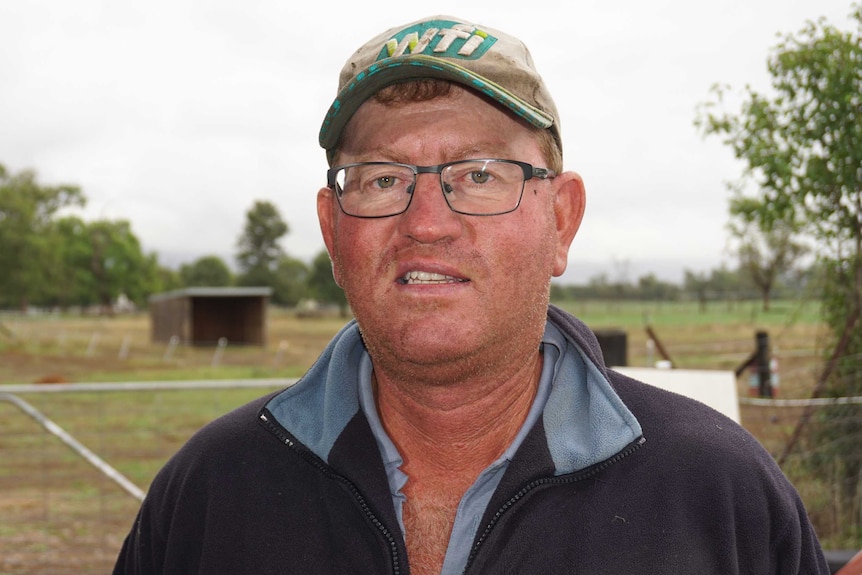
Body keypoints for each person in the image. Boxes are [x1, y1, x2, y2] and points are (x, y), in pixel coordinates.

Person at [113, 15, 829, 575]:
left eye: (482, 174)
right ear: (334, 232)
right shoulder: (209, 496)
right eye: (383, 178)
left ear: (561, 219)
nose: (426, 222)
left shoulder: (719, 494)